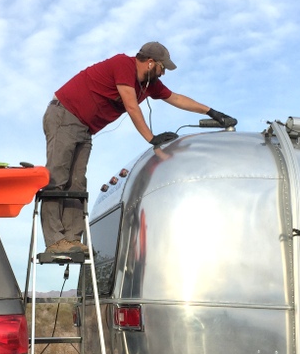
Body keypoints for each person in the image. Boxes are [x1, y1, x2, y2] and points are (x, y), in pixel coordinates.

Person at [41, 41, 237, 254]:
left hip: (85, 128)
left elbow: (176, 98)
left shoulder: (149, 84)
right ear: (151, 63)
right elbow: (132, 106)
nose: (163, 73)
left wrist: (211, 112)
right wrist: (152, 138)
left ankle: (72, 240)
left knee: (77, 183)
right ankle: (55, 241)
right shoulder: (123, 65)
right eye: (163, 68)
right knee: (58, 178)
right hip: (64, 115)